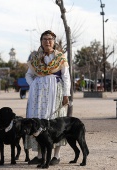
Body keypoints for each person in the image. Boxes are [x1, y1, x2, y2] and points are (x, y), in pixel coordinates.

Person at [25, 30, 71, 165]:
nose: (47, 41)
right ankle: (40, 155)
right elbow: (28, 75)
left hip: (55, 92)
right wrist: (33, 84)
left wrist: (66, 94)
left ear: (54, 41)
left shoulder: (60, 57)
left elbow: (66, 76)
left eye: (50, 39)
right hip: (38, 95)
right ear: (41, 41)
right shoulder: (36, 58)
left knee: (54, 122)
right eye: (45, 39)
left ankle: (56, 155)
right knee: (38, 122)